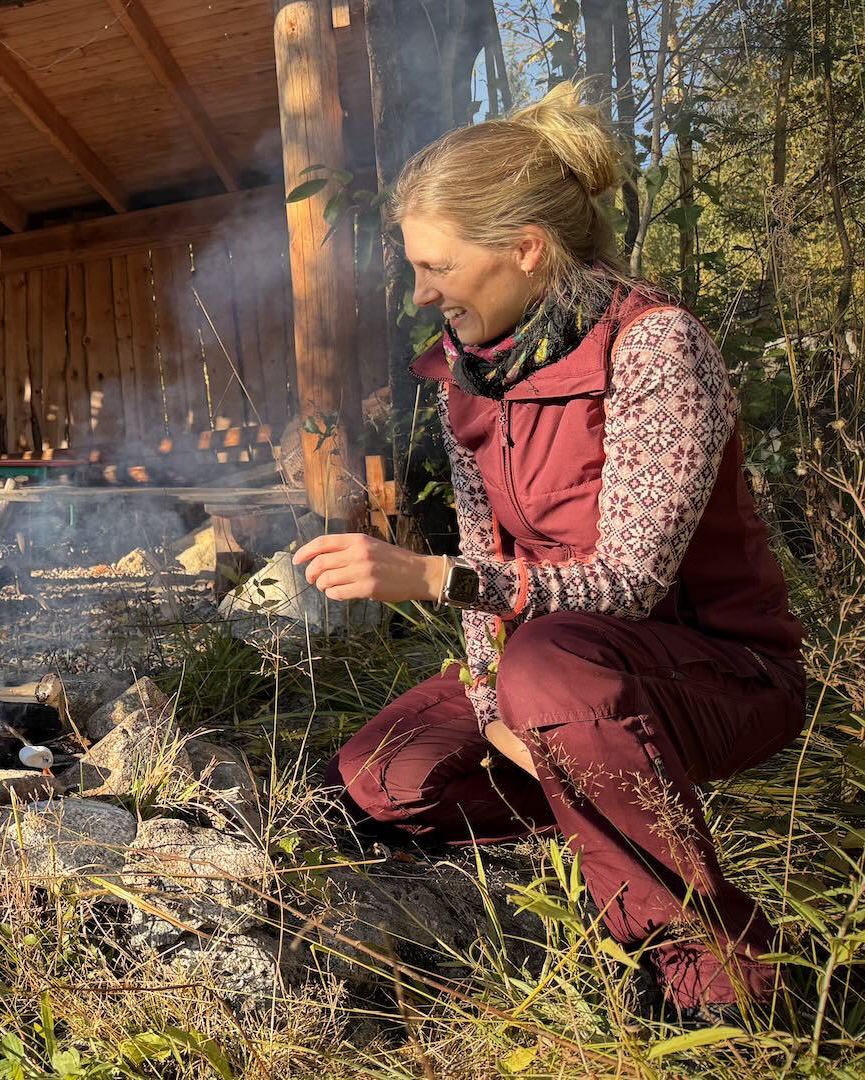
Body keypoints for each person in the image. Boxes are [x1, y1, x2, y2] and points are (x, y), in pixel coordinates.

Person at [298, 82, 805, 1017]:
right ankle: (602, 810)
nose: (423, 295)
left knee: (550, 668)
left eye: (437, 267)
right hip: (550, 670)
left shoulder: (657, 350)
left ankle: (721, 969)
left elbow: (629, 583)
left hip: (716, 671)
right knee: (377, 782)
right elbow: (496, 561)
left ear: (527, 250)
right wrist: (489, 705)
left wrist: (433, 578)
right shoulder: (471, 374)